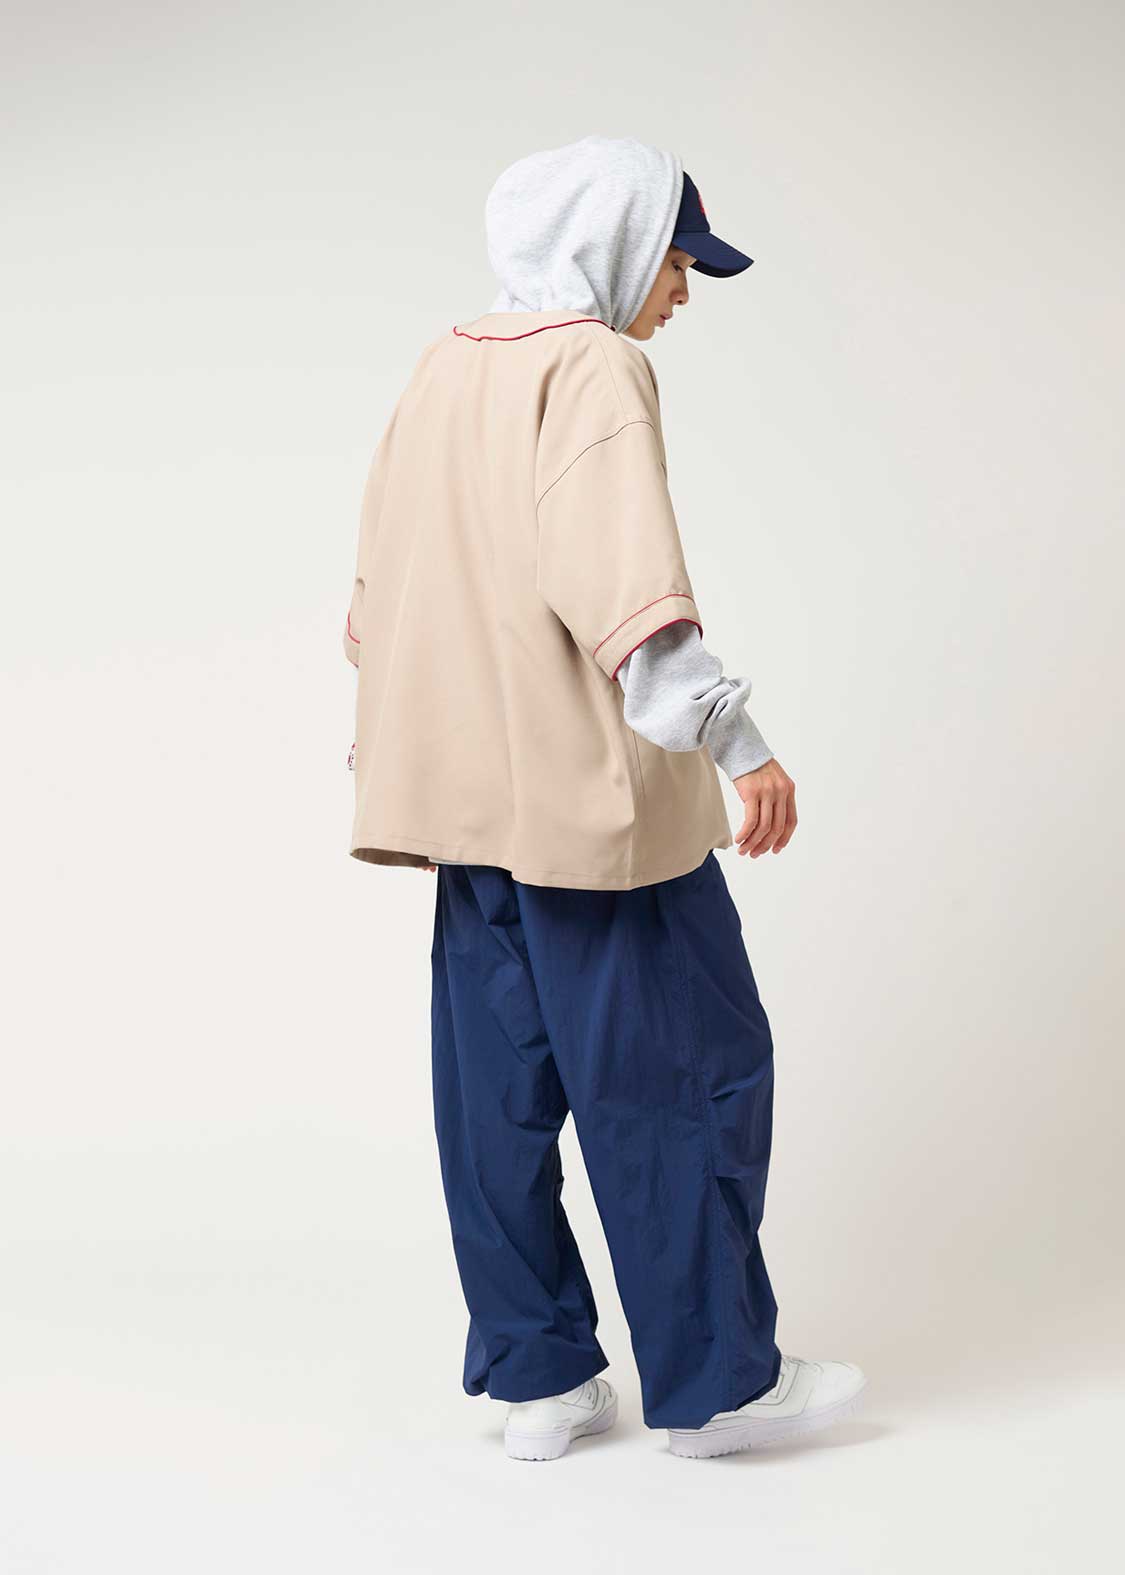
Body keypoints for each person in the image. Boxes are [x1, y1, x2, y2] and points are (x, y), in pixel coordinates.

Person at [342, 134, 866, 1461]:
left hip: (468, 821)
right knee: (688, 1078)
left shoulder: (442, 365)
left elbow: (376, 599)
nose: (682, 290)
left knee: (495, 1106)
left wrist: (413, 747)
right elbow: (623, 588)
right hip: (593, 823)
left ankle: (538, 1384)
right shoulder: (593, 367)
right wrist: (738, 742)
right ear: (617, 243)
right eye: (679, 259)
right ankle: (717, 1387)